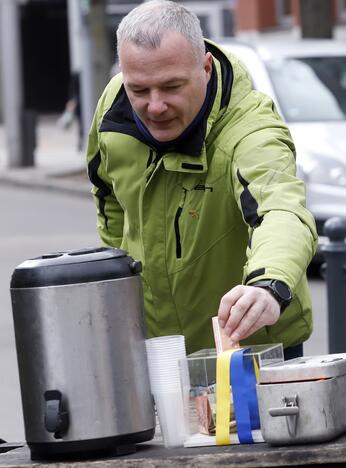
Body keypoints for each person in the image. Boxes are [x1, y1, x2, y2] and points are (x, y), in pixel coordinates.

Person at [85, 0, 317, 358]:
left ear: (205, 68)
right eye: (140, 90)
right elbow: (108, 198)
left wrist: (269, 285)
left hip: (252, 349)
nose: (155, 106)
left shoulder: (251, 129)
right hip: (155, 350)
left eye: (172, 86)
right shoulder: (112, 108)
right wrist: (122, 277)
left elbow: (282, 211)